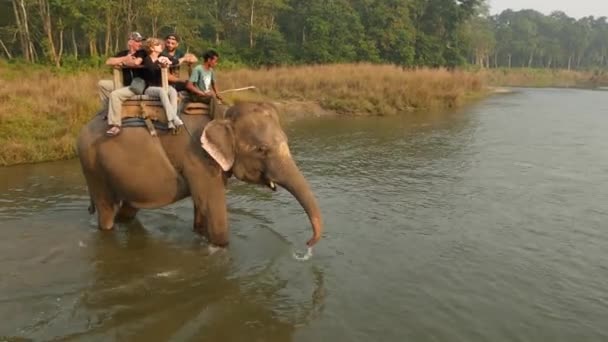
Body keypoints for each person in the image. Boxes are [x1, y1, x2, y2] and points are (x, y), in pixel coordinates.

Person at [101, 32, 147, 136]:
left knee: (115, 94)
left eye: (141, 41)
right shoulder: (123, 53)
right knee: (102, 84)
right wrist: (124, 59)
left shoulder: (142, 52)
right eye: (137, 41)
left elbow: (136, 62)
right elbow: (109, 61)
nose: (140, 43)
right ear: (130, 42)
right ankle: (107, 110)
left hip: (137, 84)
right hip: (124, 84)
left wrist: (124, 62)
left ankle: (115, 125)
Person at [141, 38, 183, 129]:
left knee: (173, 91)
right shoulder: (147, 59)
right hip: (150, 88)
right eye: (157, 45)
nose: (161, 46)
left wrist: (169, 61)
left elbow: (175, 61)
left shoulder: (162, 56)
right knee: (162, 91)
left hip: (163, 86)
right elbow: (151, 69)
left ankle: (171, 122)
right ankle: (173, 118)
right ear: (152, 48)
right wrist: (159, 61)